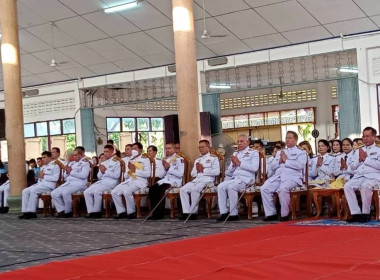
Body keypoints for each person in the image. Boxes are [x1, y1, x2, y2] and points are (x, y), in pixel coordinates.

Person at [261, 131, 307, 221]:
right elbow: (272, 166)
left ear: (296, 140)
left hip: (292, 177)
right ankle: (271, 214)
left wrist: (286, 161)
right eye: (286, 138)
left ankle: (284, 214)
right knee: (264, 188)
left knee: (283, 189)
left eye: (290, 138)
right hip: (278, 176)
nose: (287, 140)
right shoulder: (280, 152)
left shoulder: (300, 152)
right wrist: (279, 161)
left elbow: (300, 165)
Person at [216, 134, 259, 222]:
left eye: (242, 141)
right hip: (235, 178)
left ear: (248, 142)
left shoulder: (253, 153)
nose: (239, 143)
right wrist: (233, 164)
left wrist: (239, 163)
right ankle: (224, 213)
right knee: (220, 186)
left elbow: (255, 168)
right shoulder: (235, 153)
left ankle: (233, 214)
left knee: (231, 187)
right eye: (238, 141)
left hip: (246, 179)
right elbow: (230, 171)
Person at [344, 127, 380, 223]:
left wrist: (366, 159)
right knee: (347, 186)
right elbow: (352, 167)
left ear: (374, 137)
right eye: (364, 136)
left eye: (368, 136)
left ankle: (365, 213)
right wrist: (359, 160)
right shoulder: (358, 150)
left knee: (365, 186)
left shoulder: (378, 150)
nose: (365, 138)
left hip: (374, 176)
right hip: (360, 176)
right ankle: (356, 213)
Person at [179, 140, 220, 220]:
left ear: (208, 147)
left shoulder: (213, 158)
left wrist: (203, 170)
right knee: (183, 189)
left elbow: (217, 172)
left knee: (195, 189)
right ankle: (186, 212)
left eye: (202, 147)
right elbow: (192, 174)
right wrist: (197, 170)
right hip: (197, 180)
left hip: (208, 180)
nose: (200, 149)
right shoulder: (198, 160)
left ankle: (193, 213)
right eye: (199, 147)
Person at [111, 142, 151, 219]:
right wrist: (128, 171)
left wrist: (135, 170)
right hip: (130, 180)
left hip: (140, 181)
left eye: (135, 149)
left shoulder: (145, 159)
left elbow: (148, 174)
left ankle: (131, 212)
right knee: (114, 192)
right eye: (132, 149)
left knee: (126, 191)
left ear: (140, 150)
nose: (133, 150)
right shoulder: (131, 160)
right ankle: (121, 212)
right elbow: (126, 175)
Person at [19, 151, 60, 219]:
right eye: (42, 157)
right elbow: (40, 178)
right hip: (41, 184)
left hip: (49, 186)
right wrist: (39, 180)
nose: (43, 159)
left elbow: (55, 178)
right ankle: (25, 212)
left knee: (34, 191)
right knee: (25, 191)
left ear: (50, 158)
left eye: (44, 157)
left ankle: (32, 212)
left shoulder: (55, 166)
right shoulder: (43, 167)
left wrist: (44, 176)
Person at [51, 147, 90, 218]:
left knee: (65, 192)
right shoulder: (71, 163)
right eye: (73, 155)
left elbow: (84, 175)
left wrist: (71, 172)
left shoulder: (85, 163)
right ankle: (61, 210)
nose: (73, 157)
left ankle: (68, 211)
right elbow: (65, 175)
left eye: (75, 155)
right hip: (69, 183)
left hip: (79, 184)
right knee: (54, 193)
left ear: (80, 155)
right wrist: (67, 171)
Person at [148, 142, 184, 220]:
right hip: (165, 180)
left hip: (174, 181)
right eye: (166, 148)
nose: (167, 150)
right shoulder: (165, 159)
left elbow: (180, 174)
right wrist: (165, 168)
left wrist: (169, 168)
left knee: (159, 190)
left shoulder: (179, 159)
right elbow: (161, 175)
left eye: (169, 148)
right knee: (152, 189)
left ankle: (159, 214)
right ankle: (156, 213)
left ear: (174, 149)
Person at [84, 145, 121, 219]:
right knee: (87, 192)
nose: (105, 153)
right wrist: (101, 171)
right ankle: (91, 211)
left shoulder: (117, 162)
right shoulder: (104, 162)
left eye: (107, 152)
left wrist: (105, 171)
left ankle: (97, 212)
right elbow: (99, 176)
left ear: (112, 152)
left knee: (97, 191)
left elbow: (116, 176)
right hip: (102, 182)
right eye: (104, 152)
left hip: (111, 183)